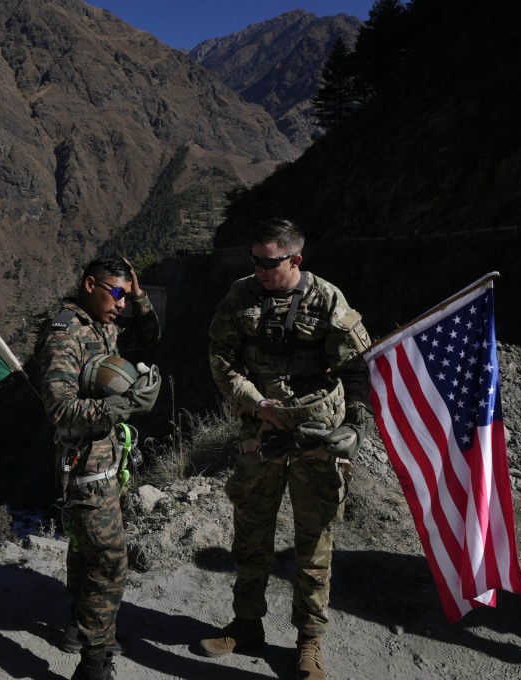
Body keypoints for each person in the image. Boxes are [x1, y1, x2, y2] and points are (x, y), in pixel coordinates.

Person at [201, 218, 373, 680]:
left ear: (295, 259)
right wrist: (256, 402)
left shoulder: (329, 300)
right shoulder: (240, 296)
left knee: (314, 545)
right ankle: (246, 625)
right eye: (254, 259)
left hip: (316, 442)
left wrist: (355, 427)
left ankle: (309, 643)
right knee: (250, 537)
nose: (258, 269)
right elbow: (220, 359)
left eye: (268, 262)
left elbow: (358, 370)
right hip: (260, 436)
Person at [36, 256, 162, 680]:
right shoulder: (65, 334)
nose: (122, 303)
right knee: (109, 562)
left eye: (126, 295)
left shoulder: (103, 323)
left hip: (104, 458)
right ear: (90, 285)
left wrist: (139, 295)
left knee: (84, 550)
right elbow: (60, 409)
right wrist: (125, 405)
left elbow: (151, 335)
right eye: (116, 293)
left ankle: (79, 625)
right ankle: (94, 661)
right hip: (83, 463)